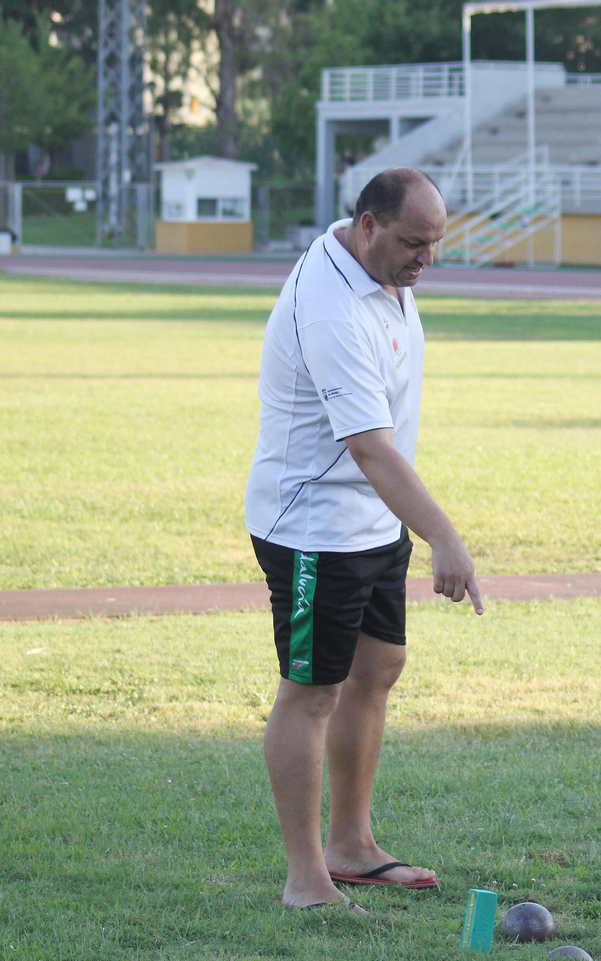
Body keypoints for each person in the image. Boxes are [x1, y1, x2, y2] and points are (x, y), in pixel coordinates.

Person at [245, 167, 484, 912]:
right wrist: (444, 535)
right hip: (314, 523)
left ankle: (351, 844)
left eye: (437, 243)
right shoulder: (330, 308)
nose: (427, 260)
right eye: (415, 243)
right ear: (370, 224)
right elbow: (369, 447)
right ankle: (305, 876)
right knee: (312, 691)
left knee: (378, 666)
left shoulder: (382, 272)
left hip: (372, 519)